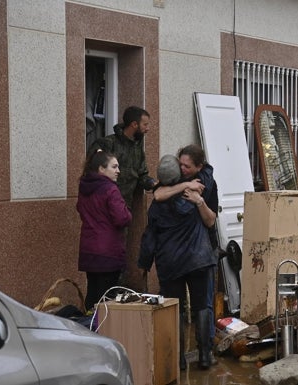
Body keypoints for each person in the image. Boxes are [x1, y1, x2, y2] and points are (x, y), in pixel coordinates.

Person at [139, 146, 219, 370]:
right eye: (180, 166)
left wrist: (144, 263)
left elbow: (149, 237)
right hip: (198, 259)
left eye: (188, 166)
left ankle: (178, 360)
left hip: (170, 263)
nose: (184, 169)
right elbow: (210, 221)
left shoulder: (159, 203)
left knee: (176, 309)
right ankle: (204, 356)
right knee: (202, 306)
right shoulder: (194, 194)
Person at [77, 150, 132, 311]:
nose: (118, 171)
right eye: (114, 167)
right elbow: (122, 218)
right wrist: (128, 212)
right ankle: (102, 331)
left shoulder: (84, 187)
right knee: (107, 299)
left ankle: (88, 327)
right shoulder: (110, 189)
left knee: (92, 293)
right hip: (108, 251)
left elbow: (80, 209)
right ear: (101, 169)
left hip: (89, 249)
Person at [87, 106, 157, 208]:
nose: (147, 129)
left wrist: (152, 183)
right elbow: (92, 172)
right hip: (103, 206)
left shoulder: (137, 147)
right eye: (145, 125)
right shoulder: (107, 143)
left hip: (124, 207)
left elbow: (141, 175)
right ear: (134, 124)